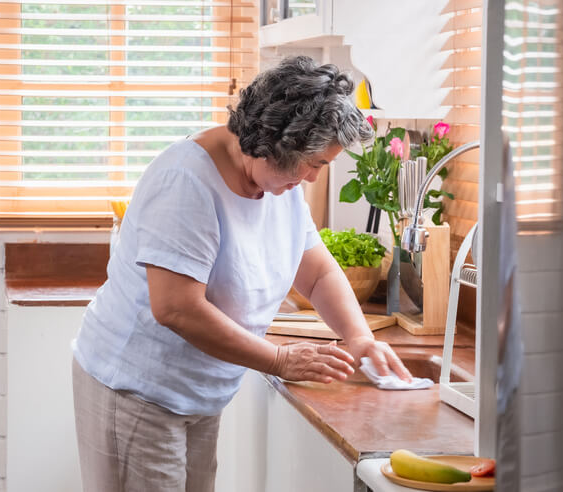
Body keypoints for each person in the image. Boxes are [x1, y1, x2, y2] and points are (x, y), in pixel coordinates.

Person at [71, 55, 413, 492]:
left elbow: (317, 272)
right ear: (272, 141)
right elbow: (176, 308)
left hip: (199, 391)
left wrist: (360, 337)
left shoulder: (279, 182)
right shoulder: (186, 181)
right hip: (137, 389)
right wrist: (279, 359)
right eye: (313, 164)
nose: (311, 178)